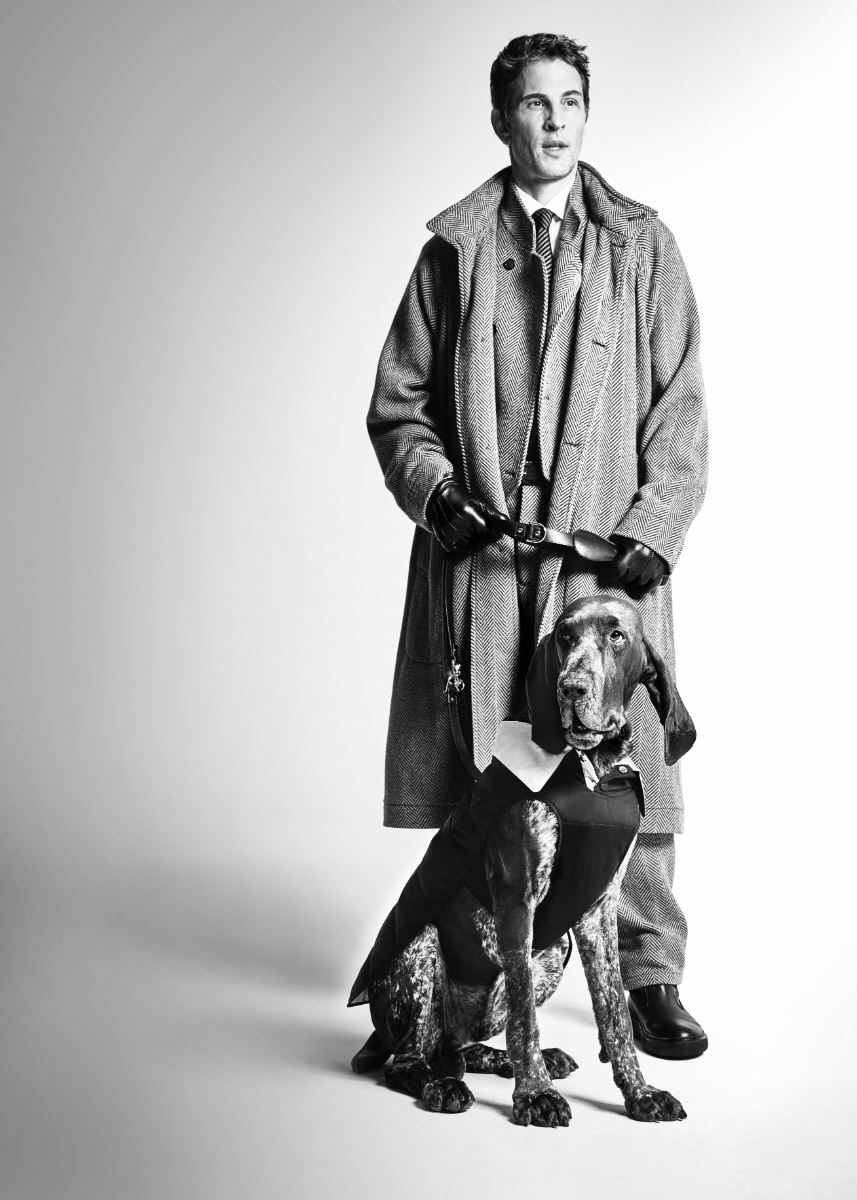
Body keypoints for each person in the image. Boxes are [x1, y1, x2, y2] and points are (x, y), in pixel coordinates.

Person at [366, 32, 708, 1058]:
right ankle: (452, 979)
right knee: (487, 762)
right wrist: (437, 497)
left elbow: (681, 416)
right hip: (487, 564)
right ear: (499, 117)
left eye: (569, 102)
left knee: (628, 765)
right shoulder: (453, 250)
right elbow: (398, 409)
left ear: (585, 114)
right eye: (532, 102)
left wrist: (651, 532)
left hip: (602, 562)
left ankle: (648, 974)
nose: (554, 121)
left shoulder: (641, 246)